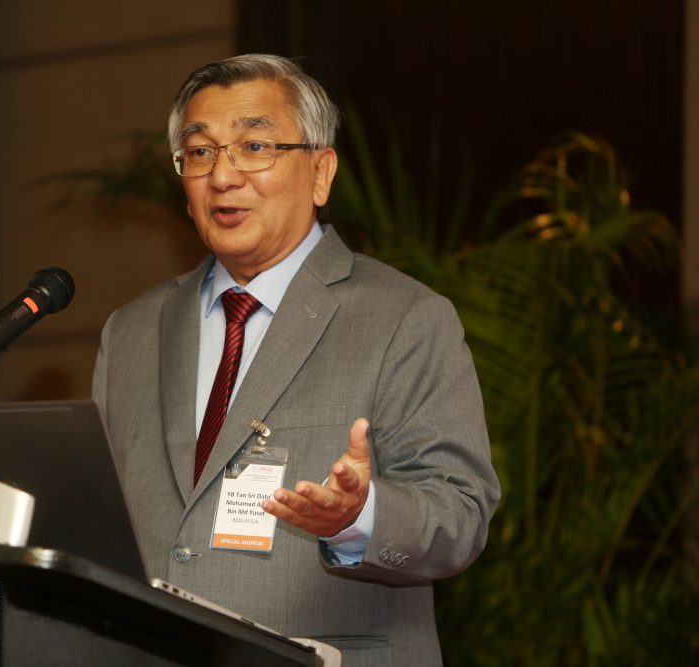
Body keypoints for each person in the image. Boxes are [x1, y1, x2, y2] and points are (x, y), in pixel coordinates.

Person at [92, 53, 499, 666]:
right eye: (199, 152)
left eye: (254, 147)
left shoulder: (405, 317)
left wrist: (359, 515)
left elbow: (460, 518)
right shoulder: (132, 331)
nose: (222, 176)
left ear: (320, 172)